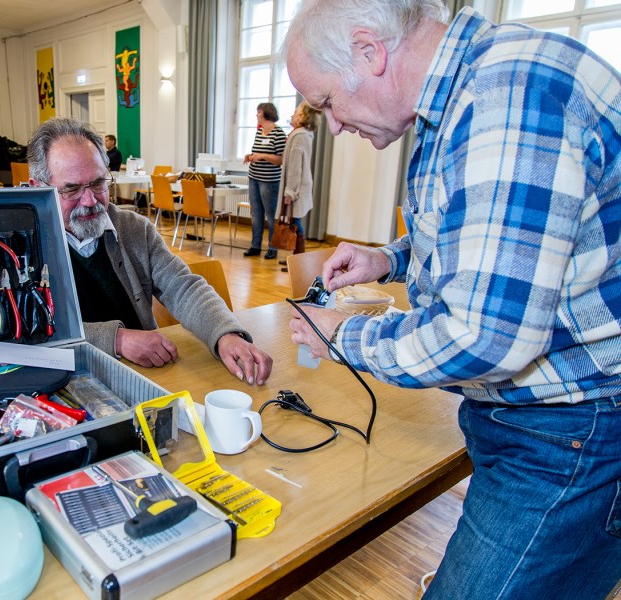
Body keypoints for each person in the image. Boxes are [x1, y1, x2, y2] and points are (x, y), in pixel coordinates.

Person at [284, 1, 621, 599]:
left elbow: (484, 334)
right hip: (558, 428)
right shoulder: (477, 89)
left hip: (570, 436)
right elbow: (498, 241)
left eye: (327, 102)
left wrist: (341, 335)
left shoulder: (505, 102)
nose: (332, 126)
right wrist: (390, 258)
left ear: (370, 51)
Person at [28, 117, 273, 385]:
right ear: (38, 188)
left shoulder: (135, 230)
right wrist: (117, 340)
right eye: (72, 189)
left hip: (145, 375)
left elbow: (183, 287)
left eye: (98, 183)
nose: (90, 200)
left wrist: (225, 334)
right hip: (65, 383)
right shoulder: (20, 246)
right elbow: (28, 331)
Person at [276, 101, 321, 272]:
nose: (292, 115)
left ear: (303, 116)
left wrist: (290, 191)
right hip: (300, 186)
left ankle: (299, 261)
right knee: (295, 221)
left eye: (296, 112)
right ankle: (296, 257)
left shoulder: (299, 136)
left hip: (297, 188)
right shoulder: (302, 134)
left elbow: (295, 166)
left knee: (295, 223)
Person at [243, 102, 286, 260]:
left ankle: (272, 248)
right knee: (256, 214)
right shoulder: (259, 133)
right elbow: (258, 152)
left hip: (269, 180)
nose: (257, 115)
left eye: (259, 112)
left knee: (270, 215)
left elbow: (281, 160)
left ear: (266, 114)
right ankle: (255, 246)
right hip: (254, 177)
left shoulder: (279, 134)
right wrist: (251, 156)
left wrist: (262, 156)